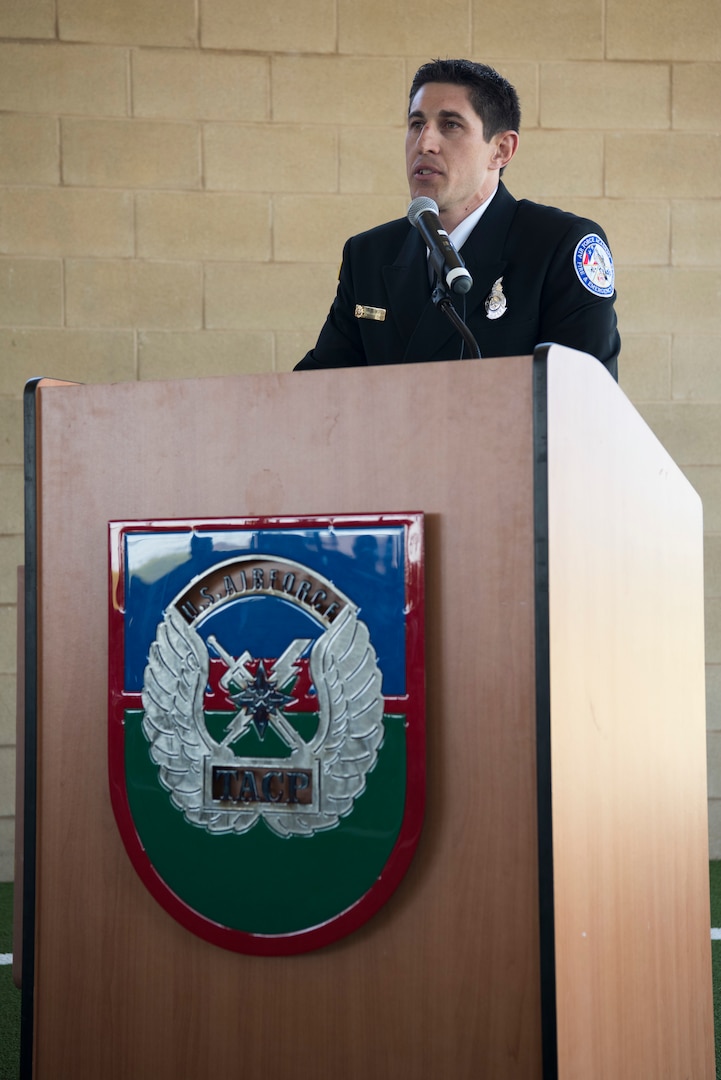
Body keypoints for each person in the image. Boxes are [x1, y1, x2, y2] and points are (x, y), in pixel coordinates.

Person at [295, 58, 620, 380]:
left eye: (450, 125)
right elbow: (319, 388)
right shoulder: (368, 254)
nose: (424, 143)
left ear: (501, 150)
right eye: (416, 124)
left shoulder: (559, 245)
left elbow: (584, 402)